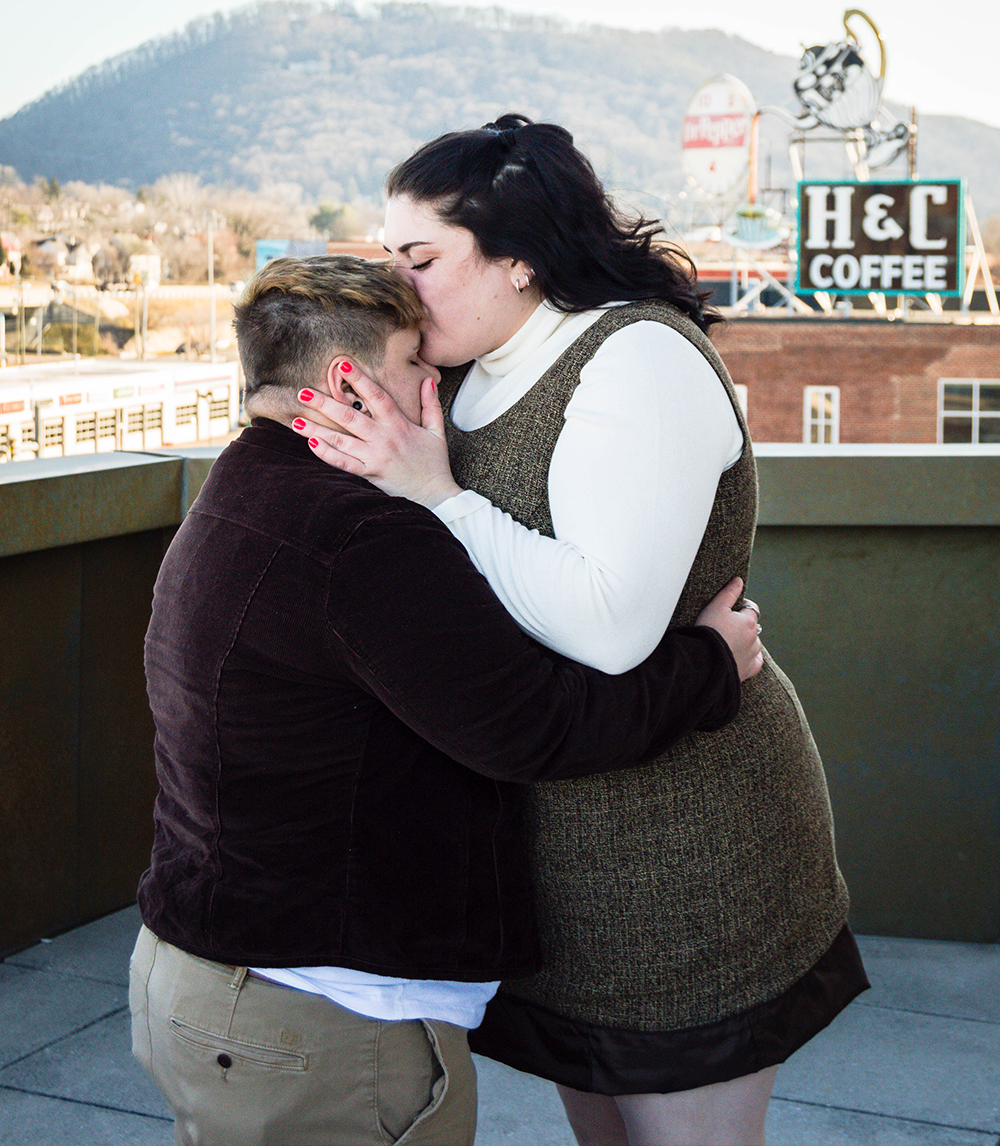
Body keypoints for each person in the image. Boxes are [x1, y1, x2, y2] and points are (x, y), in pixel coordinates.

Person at [293, 116, 870, 1146]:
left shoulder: (634, 356)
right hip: (542, 848)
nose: (397, 284)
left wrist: (437, 495)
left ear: (517, 255)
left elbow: (607, 626)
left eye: (421, 260)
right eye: (389, 257)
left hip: (682, 842)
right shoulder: (463, 371)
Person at [130, 254, 763, 1146]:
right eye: (418, 364)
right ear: (349, 380)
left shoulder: (240, 487)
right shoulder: (360, 535)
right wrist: (708, 663)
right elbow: (533, 727)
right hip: (322, 1021)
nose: (439, 386)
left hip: (209, 982)